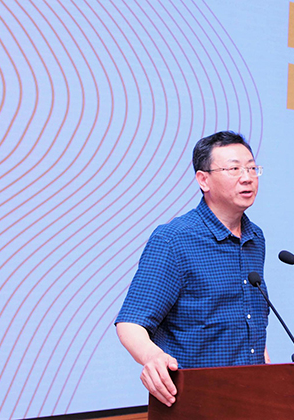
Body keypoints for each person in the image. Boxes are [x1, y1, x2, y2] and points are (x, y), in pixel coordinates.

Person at [115, 131, 269, 407]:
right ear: (203, 180)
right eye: (234, 169)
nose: (247, 177)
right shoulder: (174, 239)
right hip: (196, 401)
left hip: (253, 397)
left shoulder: (255, 238)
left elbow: (248, 319)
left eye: (251, 168)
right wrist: (153, 357)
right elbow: (131, 323)